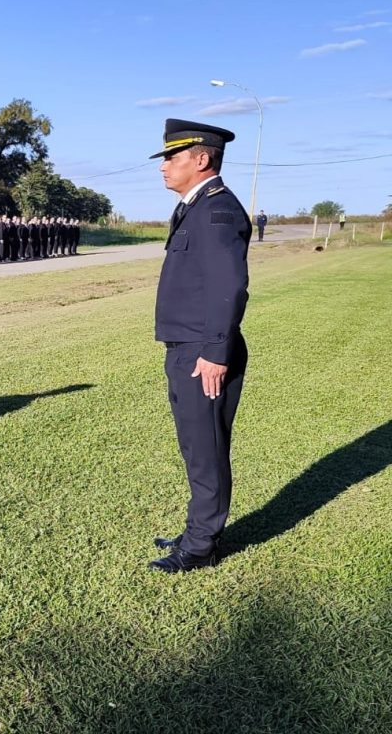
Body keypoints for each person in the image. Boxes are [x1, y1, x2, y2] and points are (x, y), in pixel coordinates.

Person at [149, 119, 251, 573]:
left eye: (172, 157)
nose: (164, 166)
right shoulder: (196, 207)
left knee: (206, 449)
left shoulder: (216, 210)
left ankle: (200, 546)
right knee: (196, 446)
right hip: (187, 346)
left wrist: (214, 352)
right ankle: (198, 530)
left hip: (203, 352)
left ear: (202, 158)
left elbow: (229, 286)